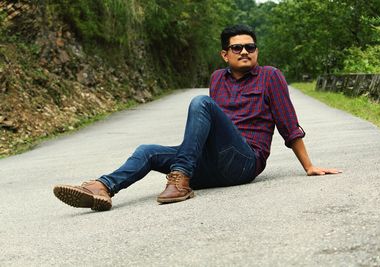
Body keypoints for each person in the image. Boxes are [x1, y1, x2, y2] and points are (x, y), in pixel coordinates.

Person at [53, 24, 341, 211]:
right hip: (206, 166)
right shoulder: (217, 77)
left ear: (256, 51)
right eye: (237, 48)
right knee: (148, 151)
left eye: (250, 47)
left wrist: (309, 166)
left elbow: (288, 125)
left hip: (244, 161)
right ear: (224, 54)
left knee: (200, 102)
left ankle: (179, 180)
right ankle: (102, 188)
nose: (244, 51)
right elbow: (206, 129)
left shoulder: (270, 76)